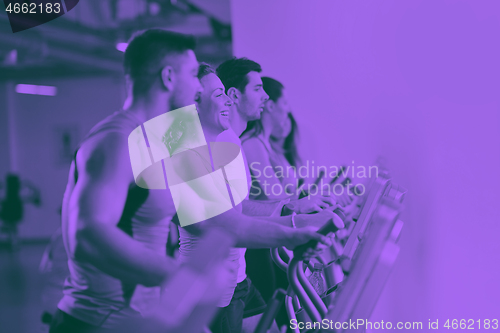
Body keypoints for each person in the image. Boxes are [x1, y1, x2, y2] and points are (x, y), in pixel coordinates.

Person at [49, 29, 204, 332]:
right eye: (194, 74)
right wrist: (176, 274)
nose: (198, 86)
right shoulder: (118, 141)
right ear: (168, 77)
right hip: (97, 323)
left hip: (137, 320)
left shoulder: (151, 142)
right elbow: (88, 231)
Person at [175, 63, 343, 333]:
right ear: (194, 104)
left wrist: (298, 215)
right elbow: (230, 225)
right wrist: (296, 227)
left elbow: (240, 210)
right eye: (219, 95)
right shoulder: (192, 157)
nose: (228, 100)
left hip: (238, 278)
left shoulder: (229, 141)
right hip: (213, 293)